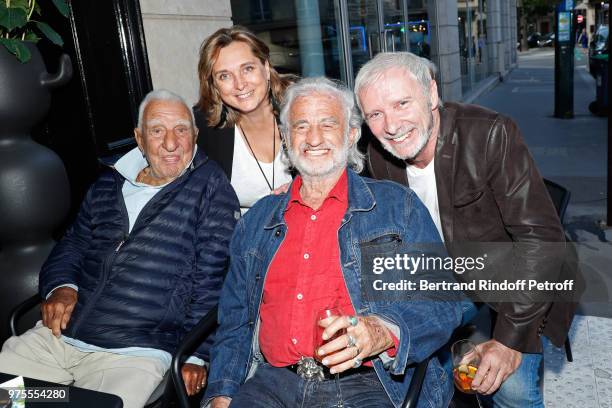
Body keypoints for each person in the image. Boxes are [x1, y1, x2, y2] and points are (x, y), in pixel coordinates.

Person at [203, 77, 468, 408]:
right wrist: (222, 392)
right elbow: (235, 321)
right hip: (272, 384)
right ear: (286, 138)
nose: (313, 139)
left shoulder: (395, 208)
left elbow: (442, 303)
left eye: (328, 124)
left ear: (351, 133)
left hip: (369, 384)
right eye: (301, 127)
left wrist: (383, 332)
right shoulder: (257, 222)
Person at [355, 52, 577, 407]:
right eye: (375, 114)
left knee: (511, 388)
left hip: (515, 275)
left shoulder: (490, 133)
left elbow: (541, 242)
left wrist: (509, 341)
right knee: (391, 363)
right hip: (441, 275)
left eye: (402, 103)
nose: (391, 125)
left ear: (431, 93)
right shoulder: (377, 153)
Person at [0, 89, 240, 408]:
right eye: (157, 131)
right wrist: (62, 287)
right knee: (8, 396)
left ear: (195, 135)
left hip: (136, 352)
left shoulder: (210, 188)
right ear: (139, 138)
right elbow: (73, 244)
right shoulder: (107, 183)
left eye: (181, 130)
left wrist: (198, 354)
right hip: (62, 336)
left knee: (100, 405)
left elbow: (215, 280)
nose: (171, 143)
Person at [195, 26, 295, 214]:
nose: (240, 84)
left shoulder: (302, 108)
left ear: (265, 68)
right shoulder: (205, 129)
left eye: (247, 69)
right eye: (224, 76)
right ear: (214, 85)